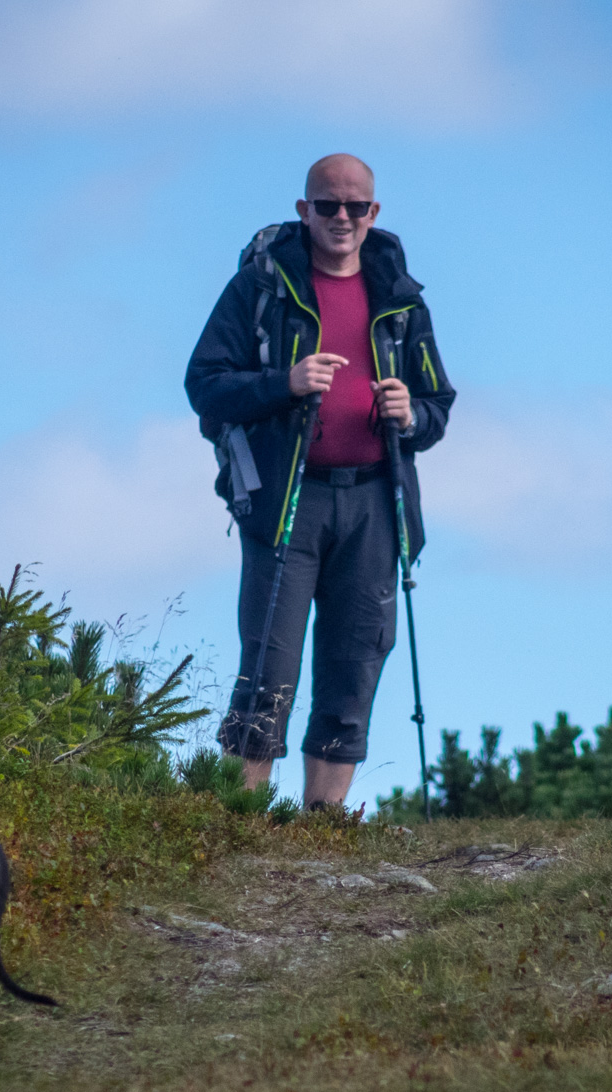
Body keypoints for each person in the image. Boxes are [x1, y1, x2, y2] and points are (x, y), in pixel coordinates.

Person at [186, 153, 454, 808]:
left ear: (373, 213)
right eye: (327, 205)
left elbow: (438, 404)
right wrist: (286, 383)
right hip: (287, 500)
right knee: (268, 668)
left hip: (372, 499)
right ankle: (239, 826)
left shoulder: (401, 299)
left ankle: (323, 832)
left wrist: (410, 413)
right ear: (303, 210)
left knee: (356, 661)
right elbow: (205, 385)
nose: (341, 218)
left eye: (354, 207)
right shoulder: (261, 285)